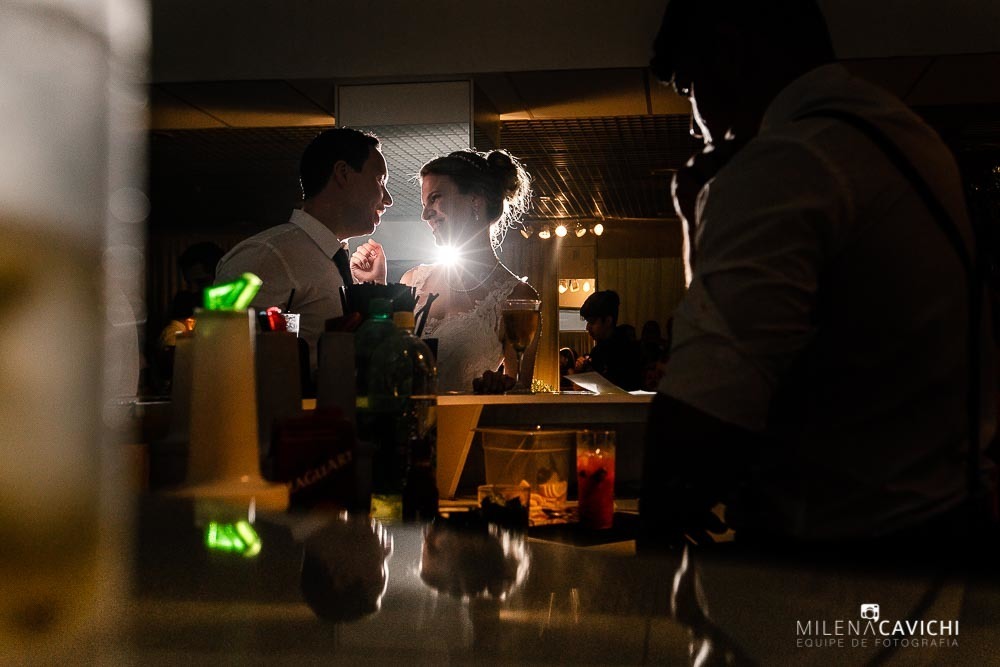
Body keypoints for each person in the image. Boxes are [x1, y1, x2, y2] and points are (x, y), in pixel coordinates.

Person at [640, 0, 996, 553]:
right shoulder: (904, 135)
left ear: (729, 54)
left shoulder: (786, 161)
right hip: (943, 533)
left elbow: (697, 426)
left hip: (835, 562)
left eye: (689, 89)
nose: (692, 122)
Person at [216, 128, 393, 370]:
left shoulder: (337, 261)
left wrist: (371, 288)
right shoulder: (266, 255)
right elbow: (226, 361)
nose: (388, 199)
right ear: (343, 174)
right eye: (380, 181)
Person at [401, 149, 538, 393]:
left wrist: (498, 389)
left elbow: (519, 395)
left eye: (435, 198)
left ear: (475, 201)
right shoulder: (413, 280)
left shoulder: (518, 298)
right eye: (424, 204)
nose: (425, 214)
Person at [577, 290, 643, 391]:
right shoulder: (597, 351)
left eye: (592, 322)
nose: (587, 327)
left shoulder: (628, 350)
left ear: (608, 321)